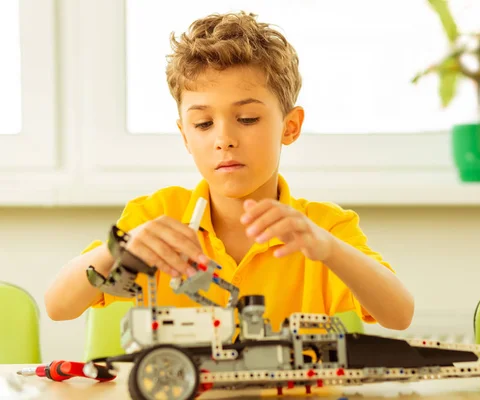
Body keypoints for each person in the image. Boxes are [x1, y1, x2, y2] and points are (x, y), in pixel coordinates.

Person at [44, 11, 414, 332]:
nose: (224, 139)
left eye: (247, 118)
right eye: (203, 124)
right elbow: (59, 307)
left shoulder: (322, 228)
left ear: (290, 126)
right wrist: (118, 248)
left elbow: (399, 314)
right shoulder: (156, 217)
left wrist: (330, 250)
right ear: (185, 136)